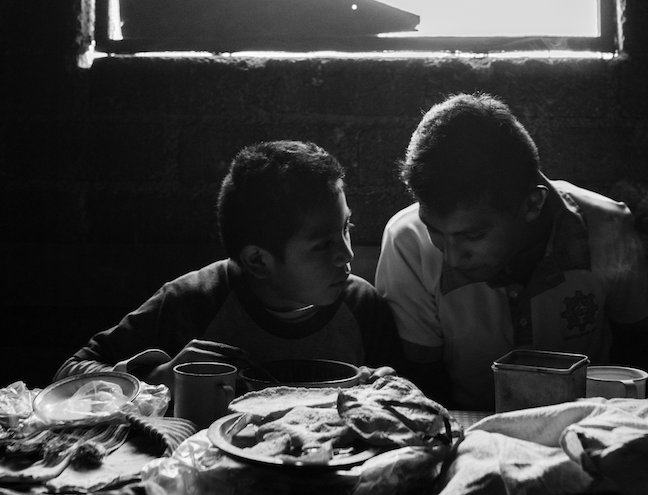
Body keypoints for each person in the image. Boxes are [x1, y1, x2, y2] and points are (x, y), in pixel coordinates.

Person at [375, 93, 648, 410]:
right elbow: (420, 385)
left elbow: (645, 351)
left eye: (473, 235)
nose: (452, 258)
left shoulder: (605, 226)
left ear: (532, 204)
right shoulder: (408, 242)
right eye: (435, 231)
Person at [56, 141, 401, 388]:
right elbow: (68, 373)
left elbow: (413, 396)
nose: (347, 255)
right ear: (257, 260)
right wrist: (158, 379)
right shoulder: (192, 301)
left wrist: (390, 390)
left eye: (346, 228)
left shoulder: (363, 307)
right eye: (323, 244)